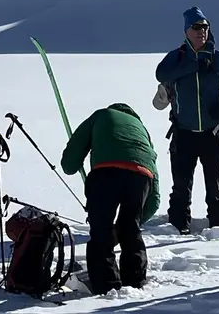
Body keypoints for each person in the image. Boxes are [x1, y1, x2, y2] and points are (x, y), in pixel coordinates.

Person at [154, 6, 219, 232]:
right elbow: (161, 74)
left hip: (213, 134)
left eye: (204, 26)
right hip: (183, 134)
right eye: (196, 27)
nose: (201, 31)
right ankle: (176, 230)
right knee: (181, 188)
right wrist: (190, 66)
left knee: (216, 188)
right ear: (186, 32)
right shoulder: (177, 58)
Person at [61, 103, 162, 294]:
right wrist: (132, 223)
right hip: (141, 177)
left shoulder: (101, 115)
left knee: (101, 229)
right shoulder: (142, 131)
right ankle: (134, 281)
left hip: (105, 172)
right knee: (130, 229)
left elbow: (69, 162)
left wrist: (71, 164)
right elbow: (154, 198)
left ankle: (105, 285)